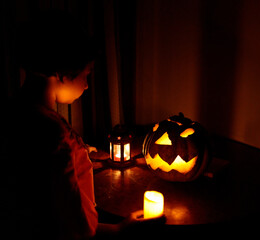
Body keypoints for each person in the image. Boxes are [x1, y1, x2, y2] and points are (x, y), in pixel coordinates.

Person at [2, 10, 163, 239]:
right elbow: (73, 230)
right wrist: (121, 233)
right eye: (86, 74)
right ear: (61, 72)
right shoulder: (53, 135)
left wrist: (118, 228)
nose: (87, 85)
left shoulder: (14, 113)